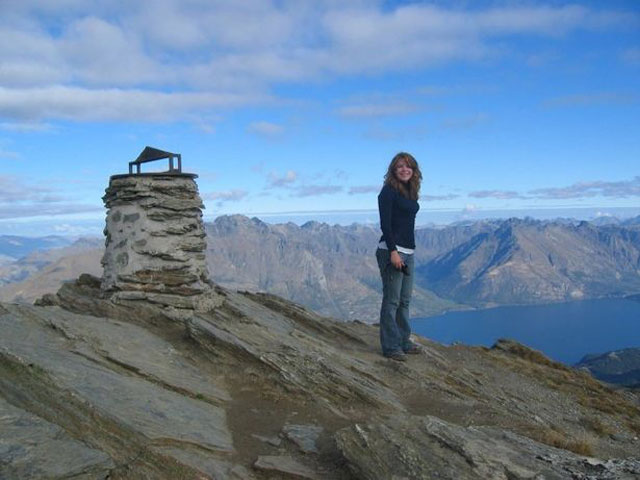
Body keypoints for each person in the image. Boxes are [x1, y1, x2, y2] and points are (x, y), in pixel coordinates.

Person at [376, 152, 423, 361]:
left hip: (408, 252)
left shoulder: (410, 192)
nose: (404, 169)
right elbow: (385, 224)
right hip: (391, 251)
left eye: (408, 166)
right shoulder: (388, 192)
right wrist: (394, 252)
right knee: (392, 300)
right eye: (400, 166)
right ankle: (391, 347)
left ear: (414, 170)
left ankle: (404, 341)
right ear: (393, 171)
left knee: (405, 300)